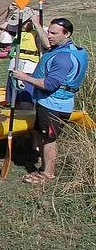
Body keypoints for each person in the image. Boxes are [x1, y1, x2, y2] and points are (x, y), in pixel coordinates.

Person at [13, 18, 89, 185]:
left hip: (53, 105)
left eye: (54, 33)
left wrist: (24, 77)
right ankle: (43, 168)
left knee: (49, 139)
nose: (50, 35)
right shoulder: (74, 50)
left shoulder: (63, 57)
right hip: (59, 102)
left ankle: (48, 174)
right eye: (49, 32)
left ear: (67, 34)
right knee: (43, 135)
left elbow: (49, 84)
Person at [7, 12, 43, 109]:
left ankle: (29, 122)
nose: (20, 25)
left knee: (26, 103)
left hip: (28, 73)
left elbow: (47, 45)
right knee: (14, 104)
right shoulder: (17, 31)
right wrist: (8, 10)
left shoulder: (38, 34)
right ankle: (16, 121)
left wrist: (36, 23)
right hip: (13, 72)